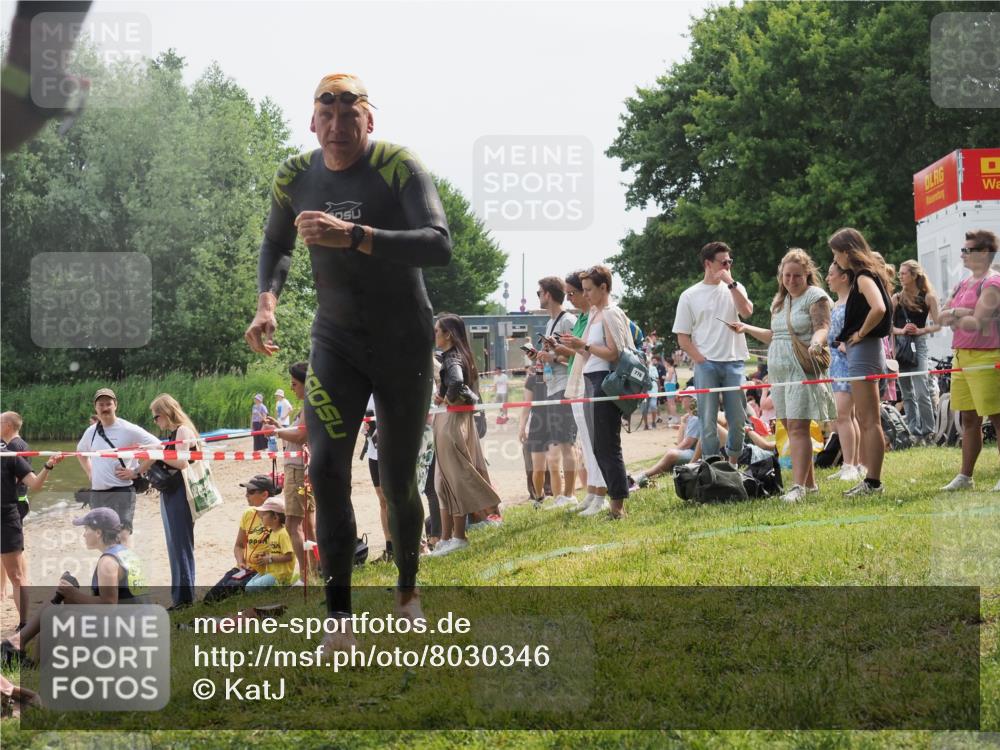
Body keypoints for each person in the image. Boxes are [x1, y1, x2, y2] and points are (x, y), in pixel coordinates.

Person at [244, 73, 451, 641]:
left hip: (403, 342)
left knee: (400, 480)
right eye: (326, 116)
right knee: (328, 471)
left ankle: (407, 593)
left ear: (369, 121)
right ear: (313, 122)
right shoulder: (294, 176)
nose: (337, 127)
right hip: (334, 343)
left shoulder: (397, 165)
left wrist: (355, 235)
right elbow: (276, 243)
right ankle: (339, 618)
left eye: (350, 115)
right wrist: (267, 304)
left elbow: (439, 243)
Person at [731, 249, 836, 502]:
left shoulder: (816, 297)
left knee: (799, 426)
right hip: (779, 371)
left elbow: (822, 327)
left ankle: (797, 487)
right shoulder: (780, 301)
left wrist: (816, 343)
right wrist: (746, 328)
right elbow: (774, 335)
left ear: (807, 274)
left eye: (796, 276)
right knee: (789, 426)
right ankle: (809, 485)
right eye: (786, 275)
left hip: (800, 367)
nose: (791, 280)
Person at [1, 507, 144, 668]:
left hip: (125, 634)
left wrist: (73, 594)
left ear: (98, 533)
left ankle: (29, 659)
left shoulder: (108, 563)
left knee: (57, 613)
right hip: (135, 625)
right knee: (67, 586)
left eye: (86, 529)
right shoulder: (125, 553)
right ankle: (18, 645)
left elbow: (109, 606)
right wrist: (71, 593)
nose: (83, 534)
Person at [559, 265, 633, 519]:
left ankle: (617, 506)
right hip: (591, 379)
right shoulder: (594, 314)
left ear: (604, 288)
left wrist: (584, 345)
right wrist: (575, 346)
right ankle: (613, 500)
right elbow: (588, 351)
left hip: (605, 381)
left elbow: (616, 353)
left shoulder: (611, 314)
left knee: (607, 445)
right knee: (599, 445)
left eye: (589, 289)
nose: (586, 294)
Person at [672, 242, 753, 464]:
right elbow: (683, 337)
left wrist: (731, 284)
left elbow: (746, 312)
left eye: (730, 262)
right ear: (708, 264)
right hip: (706, 364)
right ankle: (711, 466)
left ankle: (734, 463)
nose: (728, 266)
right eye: (723, 262)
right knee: (707, 419)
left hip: (734, 361)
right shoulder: (689, 295)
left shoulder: (736, 287)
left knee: (737, 419)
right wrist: (702, 361)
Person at [830, 227, 894, 497]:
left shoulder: (864, 277)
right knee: (866, 419)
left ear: (846, 252)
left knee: (869, 420)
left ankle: (873, 481)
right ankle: (870, 479)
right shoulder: (866, 275)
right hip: (865, 352)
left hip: (864, 351)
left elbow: (879, 308)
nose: (836, 260)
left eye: (836, 254)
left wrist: (861, 332)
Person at [431, 314, 501, 556]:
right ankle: (447, 537)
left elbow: (458, 384)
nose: (434, 335)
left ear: (448, 334)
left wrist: (446, 397)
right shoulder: (458, 356)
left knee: (455, 478)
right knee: (444, 482)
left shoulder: (452, 359)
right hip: (452, 420)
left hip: (451, 421)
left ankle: (459, 537)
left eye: (437, 331)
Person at [937, 229, 1000, 491]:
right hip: (961, 355)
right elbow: (942, 318)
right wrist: (958, 312)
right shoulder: (963, 283)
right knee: (968, 419)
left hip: (987, 356)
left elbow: (978, 322)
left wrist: (958, 316)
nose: (962, 254)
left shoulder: (993, 282)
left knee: (997, 418)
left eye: (967, 250)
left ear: (984, 253)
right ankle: (966, 476)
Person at [1, 414, 63, 627]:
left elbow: (35, 484)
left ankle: (24, 624)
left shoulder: (13, 454)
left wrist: (48, 465)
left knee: (16, 576)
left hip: (7, 516)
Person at [553, 271, 607, 514]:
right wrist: (560, 348)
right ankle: (593, 490)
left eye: (574, 293)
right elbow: (580, 352)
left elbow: (592, 351)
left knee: (596, 442)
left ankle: (600, 493)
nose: (572, 298)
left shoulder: (596, 316)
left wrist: (571, 347)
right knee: (586, 443)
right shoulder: (585, 318)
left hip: (589, 382)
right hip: (577, 381)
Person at [76, 388, 160, 538]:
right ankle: (110, 561)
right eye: (101, 405)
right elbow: (80, 452)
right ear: (95, 408)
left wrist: (136, 471)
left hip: (122, 492)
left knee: (123, 535)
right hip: (98, 493)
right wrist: (90, 472)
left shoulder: (128, 428)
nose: (105, 408)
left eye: (108, 404)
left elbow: (158, 446)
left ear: (115, 405)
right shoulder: (91, 431)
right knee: (101, 537)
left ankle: (124, 561)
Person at [144, 394, 198, 609]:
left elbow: (183, 463)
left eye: (155, 417)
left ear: (165, 413)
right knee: (175, 545)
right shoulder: (176, 433)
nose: (156, 422)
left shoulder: (183, 430)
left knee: (180, 545)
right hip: (172, 492)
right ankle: (181, 596)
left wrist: (158, 453)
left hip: (180, 492)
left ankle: (184, 599)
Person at [265, 362, 314, 581]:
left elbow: (300, 436)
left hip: (298, 470)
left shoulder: (308, 405)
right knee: (307, 522)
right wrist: (281, 427)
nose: (292, 388)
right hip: (303, 468)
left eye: (295, 384)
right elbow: (298, 433)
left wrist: (277, 431)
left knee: (294, 524)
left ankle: (306, 575)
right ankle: (314, 570)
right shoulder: (311, 404)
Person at [532, 276, 579, 509]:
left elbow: (577, 354)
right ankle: (564, 495)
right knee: (560, 443)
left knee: (567, 443)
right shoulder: (550, 323)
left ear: (548, 294)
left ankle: (569, 495)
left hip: (565, 388)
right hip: (552, 386)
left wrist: (551, 357)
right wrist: (541, 359)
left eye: (539, 292)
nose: (538, 297)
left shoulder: (567, 320)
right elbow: (557, 356)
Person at [892, 260, 941, 445]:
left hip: (918, 344)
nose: (900, 276)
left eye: (904, 273)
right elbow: (887, 326)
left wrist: (921, 331)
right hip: (901, 345)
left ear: (914, 275)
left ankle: (929, 432)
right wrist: (901, 330)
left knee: (922, 390)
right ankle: (914, 432)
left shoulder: (928, 297)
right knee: (906, 391)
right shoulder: (896, 298)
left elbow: (938, 324)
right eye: (900, 273)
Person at [826, 261, 865, 482]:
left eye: (831, 274)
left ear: (843, 277)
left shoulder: (852, 302)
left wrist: (847, 344)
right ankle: (853, 463)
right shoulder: (836, 303)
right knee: (846, 415)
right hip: (836, 363)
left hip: (847, 363)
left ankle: (850, 464)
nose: (828, 278)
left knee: (843, 415)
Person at [632, 392, 700, 488]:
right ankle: (649, 474)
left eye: (684, 398)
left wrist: (672, 452)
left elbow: (687, 444)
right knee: (670, 455)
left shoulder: (695, 419)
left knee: (671, 454)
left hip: (695, 454)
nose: (681, 400)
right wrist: (683, 424)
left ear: (692, 400)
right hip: (690, 452)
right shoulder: (689, 418)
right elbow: (681, 443)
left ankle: (643, 475)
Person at [244, 498, 297, 589]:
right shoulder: (273, 533)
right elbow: (277, 552)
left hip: (280, 574)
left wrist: (269, 559)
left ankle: (283, 584)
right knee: (248, 584)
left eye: (264, 514)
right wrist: (265, 555)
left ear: (275, 518)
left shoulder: (283, 534)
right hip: (272, 572)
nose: (261, 517)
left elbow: (289, 556)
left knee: (249, 588)